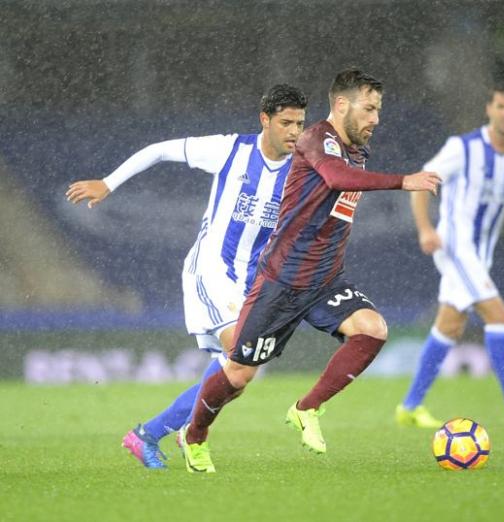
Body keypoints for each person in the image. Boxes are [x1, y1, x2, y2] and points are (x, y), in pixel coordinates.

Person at [178, 67, 441, 473]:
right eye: (369, 109)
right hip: (282, 281)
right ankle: (194, 435)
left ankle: (307, 409)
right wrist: (404, 181)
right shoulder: (316, 138)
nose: (376, 119)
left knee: (372, 330)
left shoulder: (356, 150)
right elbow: (335, 178)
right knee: (239, 374)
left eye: (378, 110)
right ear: (340, 105)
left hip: (324, 279)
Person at [66, 84, 308, 468]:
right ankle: (186, 434)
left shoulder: (301, 170)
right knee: (242, 361)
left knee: (238, 376)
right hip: (211, 269)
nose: (295, 131)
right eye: (286, 122)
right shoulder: (231, 150)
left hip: (248, 282)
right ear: (265, 120)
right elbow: (159, 150)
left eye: (300, 123)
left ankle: (147, 435)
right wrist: (108, 183)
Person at [395, 82, 504, 428]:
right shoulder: (462, 149)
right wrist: (425, 229)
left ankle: (410, 406)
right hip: (455, 245)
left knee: (450, 325)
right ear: (489, 110)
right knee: (499, 315)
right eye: (500, 106)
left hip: (481, 254)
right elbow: (420, 183)